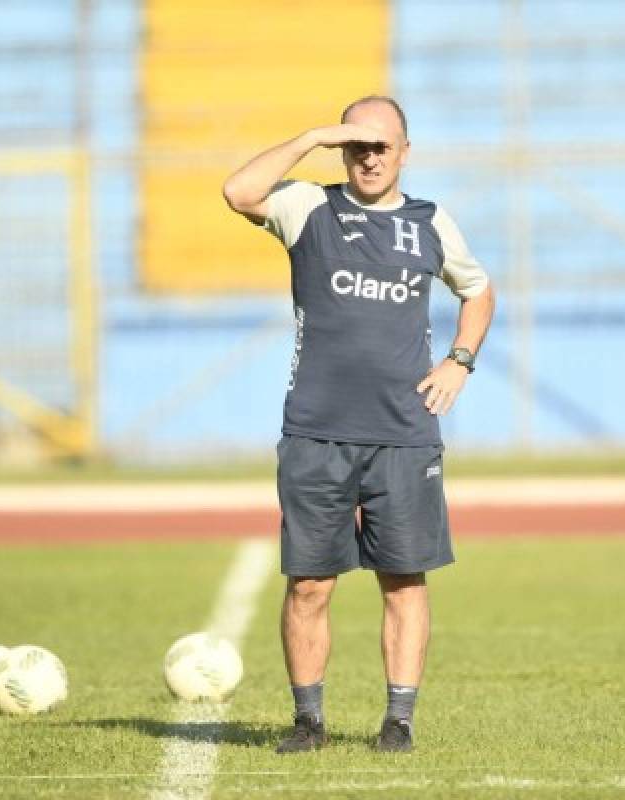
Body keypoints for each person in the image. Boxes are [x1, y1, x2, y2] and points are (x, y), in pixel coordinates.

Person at [221, 95, 495, 753]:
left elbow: (478, 291)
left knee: (403, 579)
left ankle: (398, 722)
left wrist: (460, 360)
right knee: (310, 583)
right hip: (317, 431)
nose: (369, 157)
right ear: (343, 149)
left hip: (403, 433)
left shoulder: (431, 222)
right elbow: (238, 190)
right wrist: (311, 135)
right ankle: (308, 721)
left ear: (405, 152)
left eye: (382, 145)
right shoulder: (307, 207)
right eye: (356, 144)